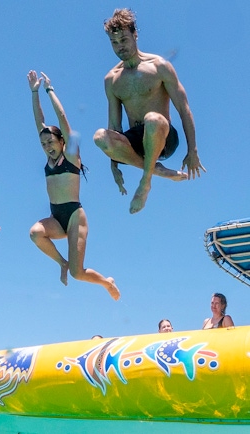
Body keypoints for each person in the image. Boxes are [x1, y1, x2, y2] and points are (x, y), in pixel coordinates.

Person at [92, 8, 205, 214]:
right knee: (100, 136)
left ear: (135, 35)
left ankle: (145, 183)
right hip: (135, 141)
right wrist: (114, 164)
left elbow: (184, 109)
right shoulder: (112, 79)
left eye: (124, 40)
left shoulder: (160, 66)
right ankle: (155, 169)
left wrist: (193, 150)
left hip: (163, 136)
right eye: (114, 43)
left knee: (152, 119)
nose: (120, 47)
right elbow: (115, 126)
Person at [27, 70, 120, 301]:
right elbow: (39, 121)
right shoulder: (49, 159)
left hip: (75, 217)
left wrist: (49, 90)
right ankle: (62, 263)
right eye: (43, 143)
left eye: (51, 141)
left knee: (79, 274)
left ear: (62, 141)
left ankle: (107, 282)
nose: (47, 146)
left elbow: (62, 118)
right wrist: (33, 92)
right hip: (56, 218)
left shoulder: (70, 156)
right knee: (35, 233)